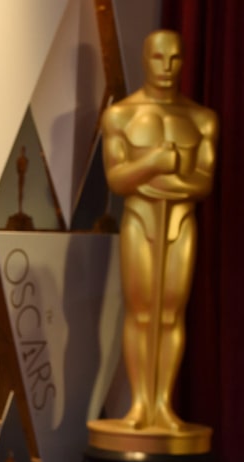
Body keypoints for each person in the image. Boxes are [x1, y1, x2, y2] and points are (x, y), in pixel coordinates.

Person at [100, 30, 218, 432]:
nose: (166, 68)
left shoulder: (201, 119)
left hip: (180, 222)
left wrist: (159, 180)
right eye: (157, 58)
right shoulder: (121, 116)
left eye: (174, 59)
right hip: (141, 220)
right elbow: (118, 179)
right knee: (140, 312)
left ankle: (163, 404)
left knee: (169, 313)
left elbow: (203, 182)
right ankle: (138, 405)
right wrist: (156, 162)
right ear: (145, 59)